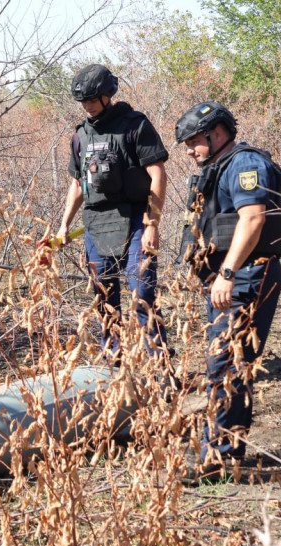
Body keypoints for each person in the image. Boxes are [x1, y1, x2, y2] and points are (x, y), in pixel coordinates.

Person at [174, 102, 281, 482]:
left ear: (217, 133)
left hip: (246, 277)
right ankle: (221, 453)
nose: (190, 150)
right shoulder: (217, 168)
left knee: (228, 367)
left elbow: (253, 218)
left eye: (194, 142)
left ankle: (218, 462)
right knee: (223, 366)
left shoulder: (245, 164)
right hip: (227, 281)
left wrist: (227, 271)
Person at [56, 64, 170, 359]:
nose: (88, 107)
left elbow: (158, 174)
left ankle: (161, 370)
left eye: (93, 100)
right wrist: (63, 226)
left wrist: (152, 225)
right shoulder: (80, 135)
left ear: (108, 95)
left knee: (141, 294)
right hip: (97, 223)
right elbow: (78, 184)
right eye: (84, 102)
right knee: (104, 298)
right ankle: (114, 365)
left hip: (135, 219)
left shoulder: (134, 125)